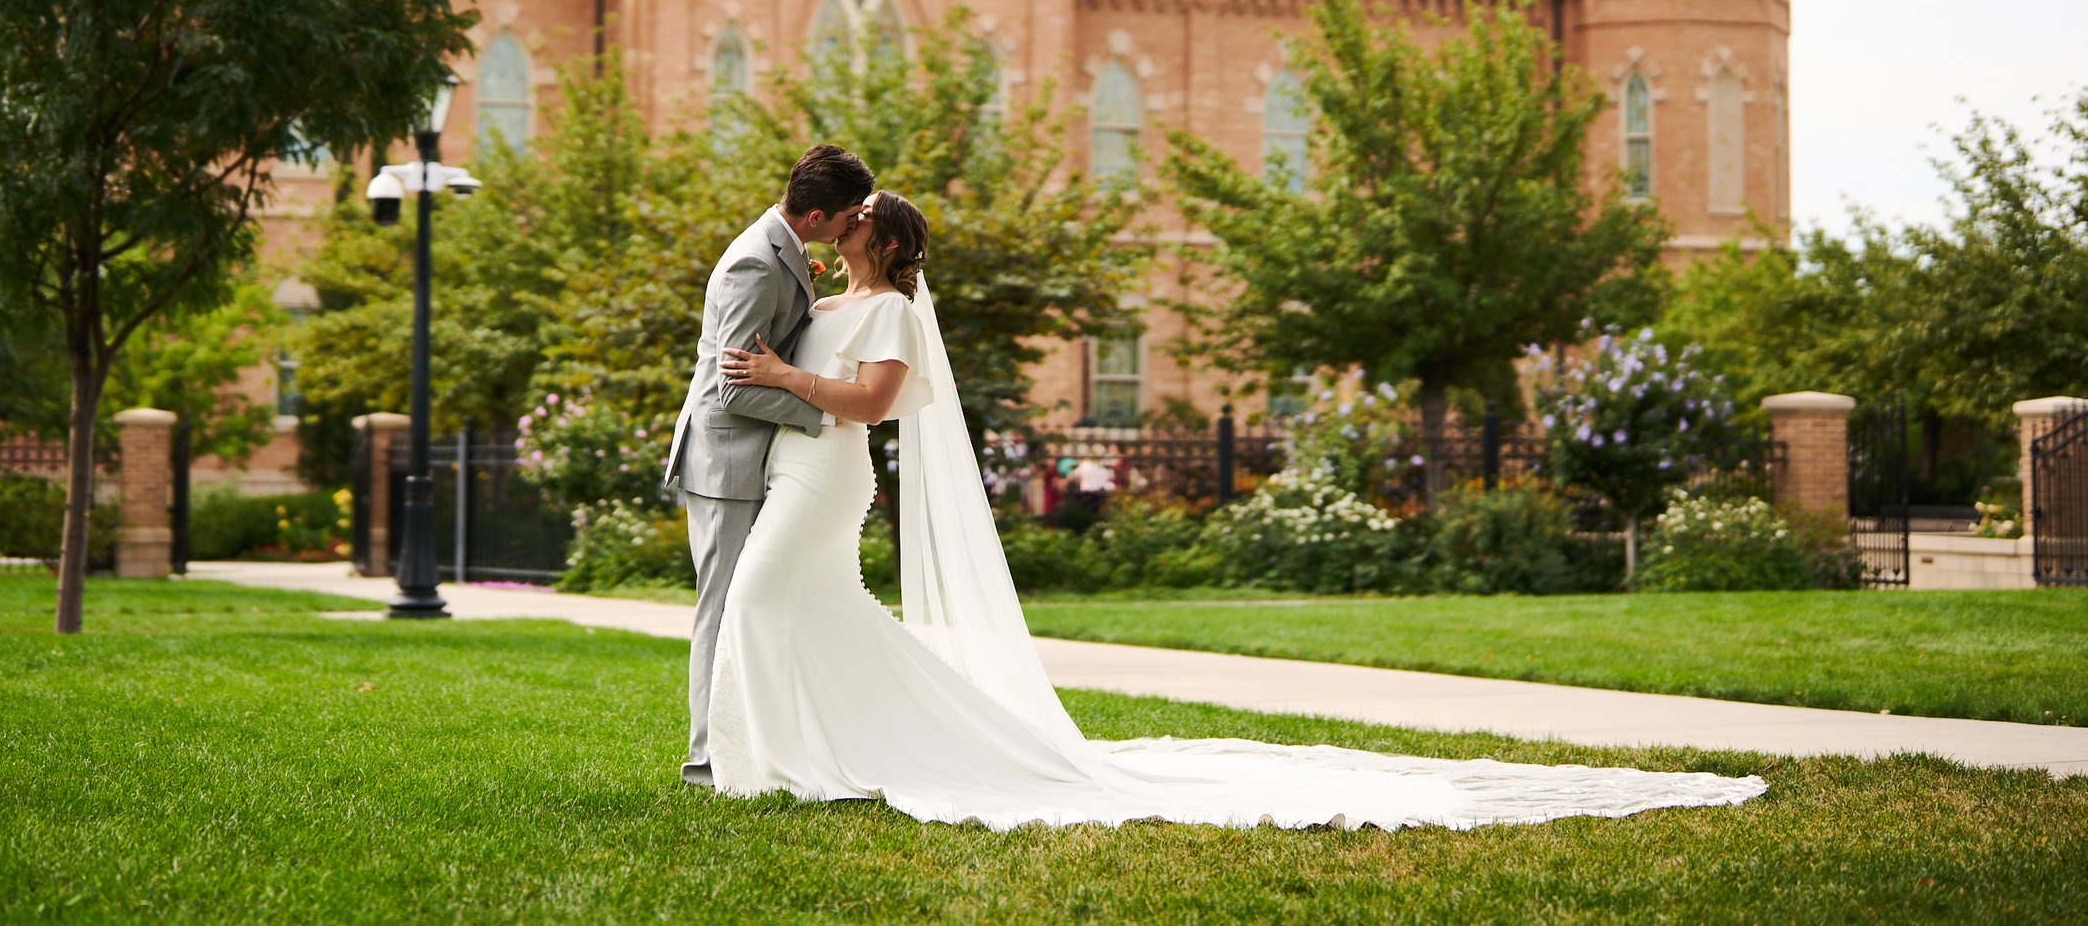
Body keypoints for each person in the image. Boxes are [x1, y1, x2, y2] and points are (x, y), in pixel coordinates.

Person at [713, 190, 1767, 831]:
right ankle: (837, 745)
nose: (842, 224)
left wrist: (787, 377)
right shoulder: (828, 299)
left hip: (833, 469)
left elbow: (874, 403)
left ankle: (783, 760)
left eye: (856, 218)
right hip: (796, 466)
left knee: (763, 600)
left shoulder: (894, 312)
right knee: (819, 610)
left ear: (881, 238)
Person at [662, 143, 875, 788]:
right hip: (725, 462)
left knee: (756, 606)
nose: (852, 226)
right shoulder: (754, 263)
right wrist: (825, 415)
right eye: (847, 217)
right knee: (724, 608)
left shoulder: (786, 248)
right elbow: (734, 389)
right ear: (815, 217)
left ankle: (761, 743)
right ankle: (707, 761)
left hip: (758, 457)